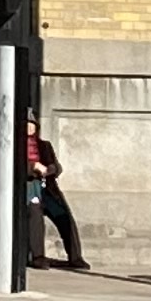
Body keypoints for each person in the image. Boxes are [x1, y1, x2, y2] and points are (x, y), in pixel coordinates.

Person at [25, 110, 88, 273]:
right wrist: (32, 167)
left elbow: (57, 166)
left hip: (48, 189)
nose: (29, 127)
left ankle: (75, 257)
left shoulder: (45, 146)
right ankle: (38, 257)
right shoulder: (15, 147)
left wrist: (52, 169)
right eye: (27, 124)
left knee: (64, 216)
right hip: (30, 188)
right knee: (35, 218)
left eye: (32, 124)